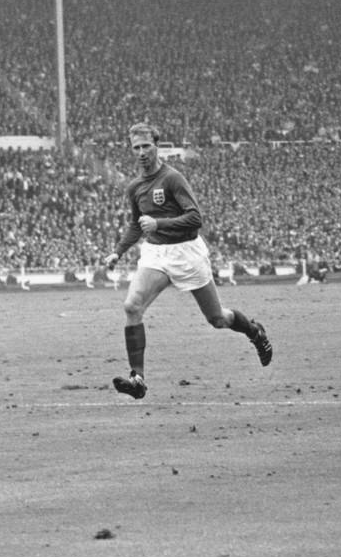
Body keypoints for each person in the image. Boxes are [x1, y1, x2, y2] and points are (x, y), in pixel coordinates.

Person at [102, 123, 273, 400]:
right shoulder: (135, 187)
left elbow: (195, 218)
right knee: (132, 306)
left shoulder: (172, 179)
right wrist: (117, 252)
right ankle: (138, 379)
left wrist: (159, 222)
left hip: (187, 253)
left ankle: (255, 332)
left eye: (146, 146)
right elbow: (137, 224)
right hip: (157, 254)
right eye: (136, 147)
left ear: (156, 145)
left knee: (218, 319)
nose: (142, 152)